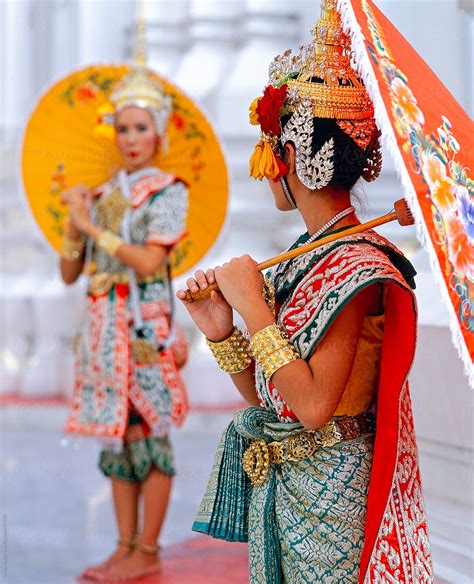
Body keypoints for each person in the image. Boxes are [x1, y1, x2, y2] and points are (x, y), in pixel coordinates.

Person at [177, 1, 433, 582]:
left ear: (292, 156)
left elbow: (315, 408)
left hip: (333, 499)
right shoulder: (308, 259)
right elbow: (274, 401)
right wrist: (225, 332)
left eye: (269, 153)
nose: (266, 170)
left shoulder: (358, 266)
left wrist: (256, 312)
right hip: (289, 488)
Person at [60, 57, 189, 582]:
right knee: (117, 437)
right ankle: (124, 546)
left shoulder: (166, 191)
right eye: (123, 127)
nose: (131, 137)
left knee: (150, 433)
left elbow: (150, 262)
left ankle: (149, 548)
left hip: (142, 328)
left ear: (157, 134)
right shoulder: (104, 194)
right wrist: (75, 224)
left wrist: (94, 230)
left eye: (141, 127)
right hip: (102, 329)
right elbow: (70, 273)